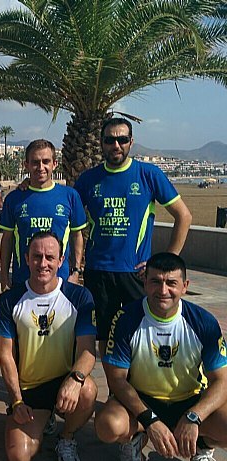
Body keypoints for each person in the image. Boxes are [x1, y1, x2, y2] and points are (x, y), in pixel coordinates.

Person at [96, 252, 227, 461]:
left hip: (189, 401)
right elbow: (117, 379)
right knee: (107, 425)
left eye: (171, 283)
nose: (163, 290)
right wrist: (150, 421)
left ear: (185, 286)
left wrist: (194, 417)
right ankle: (134, 440)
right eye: (156, 281)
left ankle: (203, 446)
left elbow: (222, 381)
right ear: (145, 282)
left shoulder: (204, 322)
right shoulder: (126, 318)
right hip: (143, 400)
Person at [73, 117, 192, 355]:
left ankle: (135, 388)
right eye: (109, 140)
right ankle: (113, 392)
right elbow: (66, 214)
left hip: (136, 273)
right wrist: (28, 184)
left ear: (131, 142)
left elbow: (184, 217)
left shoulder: (148, 174)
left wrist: (164, 263)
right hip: (99, 271)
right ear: (101, 143)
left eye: (122, 139)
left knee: (140, 334)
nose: (116, 145)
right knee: (104, 338)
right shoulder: (88, 179)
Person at [0, 231, 97, 461]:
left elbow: (87, 350)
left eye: (50, 257)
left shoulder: (79, 296)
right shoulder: (10, 299)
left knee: (88, 390)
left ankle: (67, 437)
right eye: (37, 256)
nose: (43, 263)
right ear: (27, 259)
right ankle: (45, 419)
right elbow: (5, 355)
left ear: (61, 260)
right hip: (29, 389)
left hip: (64, 382)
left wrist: (75, 379)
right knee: (19, 458)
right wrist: (17, 400)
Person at [0, 140, 86, 292]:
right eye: (35, 162)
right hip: (23, 281)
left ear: (55, 164)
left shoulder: (69, 196)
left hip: (61, 281)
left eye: (46, 161)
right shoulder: (14, 199)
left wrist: (76, 271)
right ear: (26, 165)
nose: (41, 167)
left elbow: (77, 235)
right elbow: (7, 239)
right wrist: (5, 276)